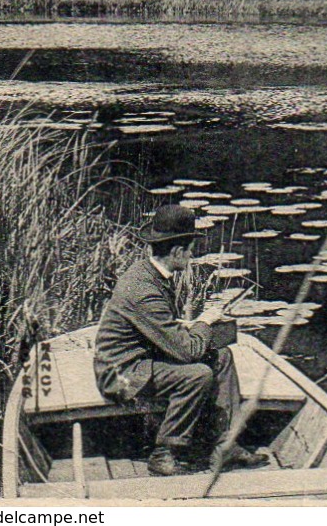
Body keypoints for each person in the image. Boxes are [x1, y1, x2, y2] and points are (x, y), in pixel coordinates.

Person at [92, 204, 268, 477]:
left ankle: (226, 445)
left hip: (143, 360)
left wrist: (190, 327)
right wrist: (204, 322)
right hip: (122, 372)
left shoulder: (152, 274)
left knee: (221, 357)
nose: (191, 255)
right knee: (197, 374)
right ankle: (165, 453)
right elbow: (187, 351)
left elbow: (164, 329)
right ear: (176, 252)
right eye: (189, 250)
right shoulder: (144, 289)